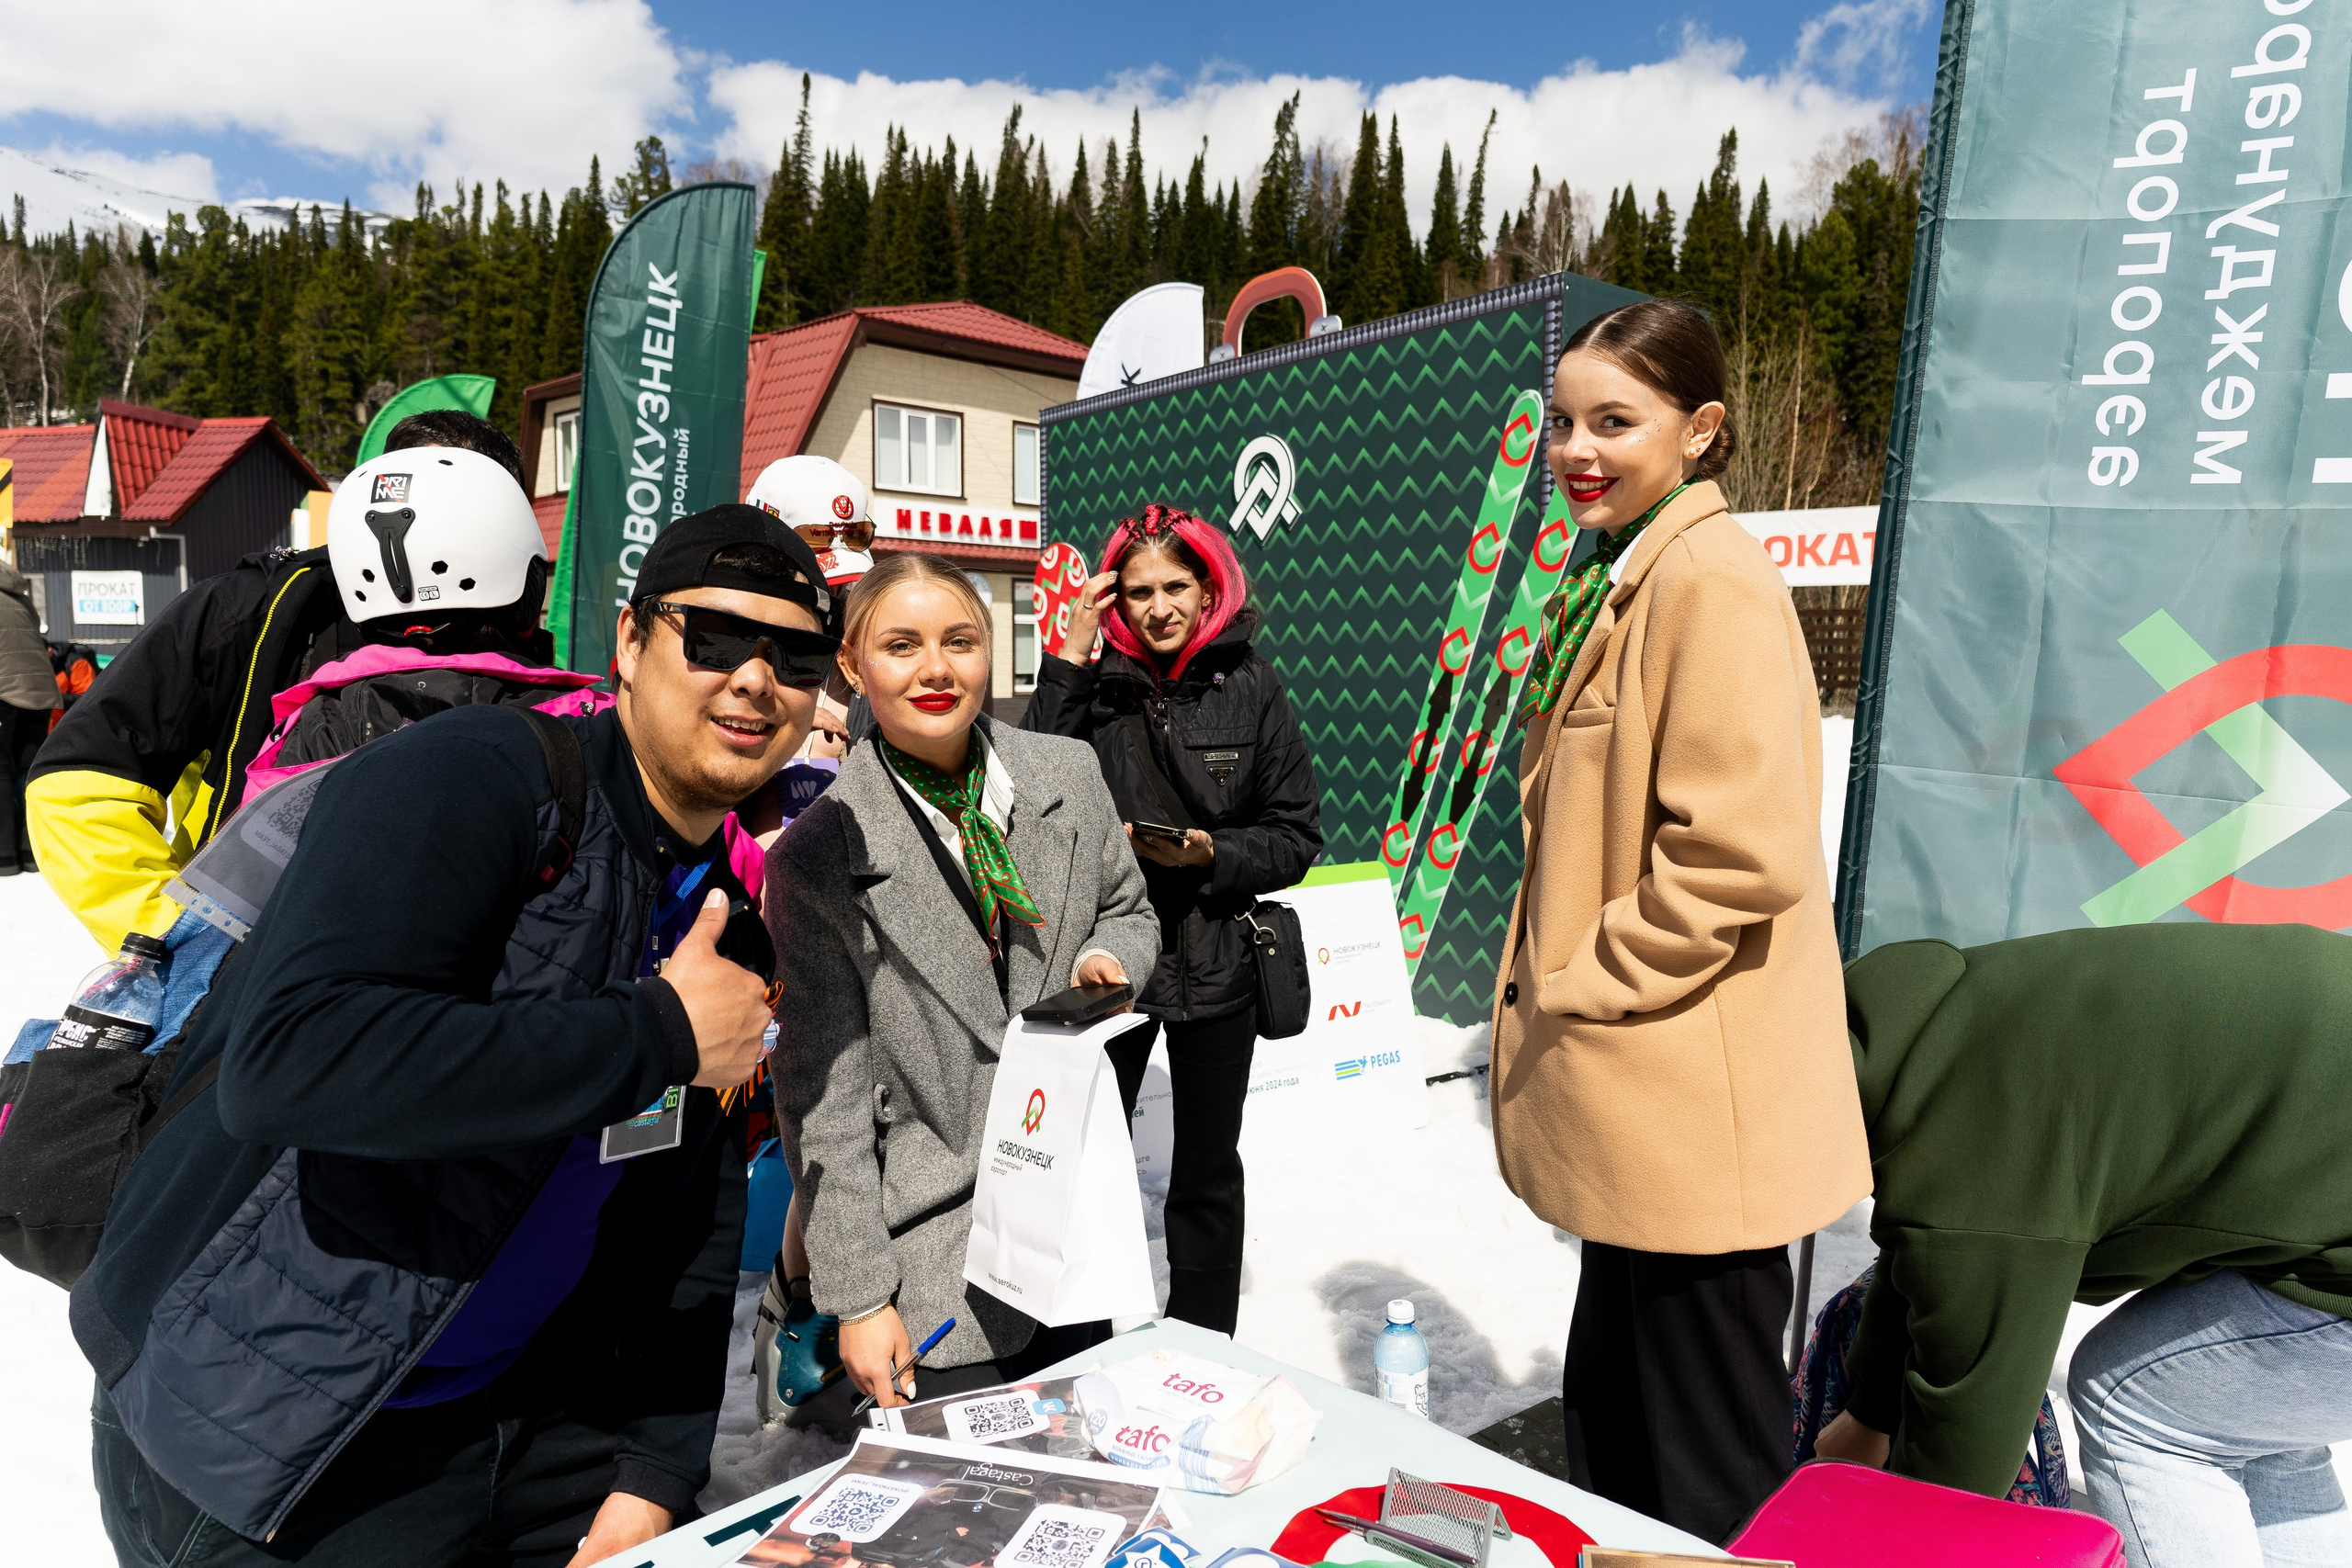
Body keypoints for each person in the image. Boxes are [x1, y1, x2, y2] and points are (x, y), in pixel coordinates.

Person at [78, 504, 835, 1566]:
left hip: (525, 1424)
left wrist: (658, 1464)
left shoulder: (723, 911)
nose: (755, 679)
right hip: (285, 1431)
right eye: (711, 638)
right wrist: (655, 1033)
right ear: (627, 642)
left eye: (796, 655)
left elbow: (683, 1209)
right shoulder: (476, 776)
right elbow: (296, 1061)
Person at [1489, 298, 1871, 1543]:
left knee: (1713, 1474)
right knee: (1615, 1438)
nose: (1578, 449)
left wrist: (1580, 976)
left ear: (1702, 431)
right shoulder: (1621, 573)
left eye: (1616, 420)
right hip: (1642, 1119)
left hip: (1694, 1116)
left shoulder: (1709, 580)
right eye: (1563, 423)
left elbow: (1738, 855)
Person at [1815, 923, 2352, 1567]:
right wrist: (1871, 1412)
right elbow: (1934, 1252)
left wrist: (1897, 1540)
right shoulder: (1933, 1030)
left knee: (2132, 1399)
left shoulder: (1981, 1167)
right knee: (2243, 1412)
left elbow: (1966, 1448)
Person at [768, 551, 1159, 1413]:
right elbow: (819, 1105)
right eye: (901, 645)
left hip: (1070, 1233)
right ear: (852, 664)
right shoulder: (818, 858)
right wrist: (863, 1297)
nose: (937, 668)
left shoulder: (1065, 774)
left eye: (961, 640)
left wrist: (1113, 961)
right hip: (933, 1265)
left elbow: (1130, 909)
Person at [27, 409, 548, 954]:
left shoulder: (521, 629)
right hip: (263, 963)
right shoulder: (253, 613)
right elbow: (77, 786)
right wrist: (190, 950)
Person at [1021, 501, 1322, 1336]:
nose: (1159, 607)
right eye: (1140, 590)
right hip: (1108, 965)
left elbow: (1296, 834)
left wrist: (1211, 857)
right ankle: (1077, 1340)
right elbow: (1027, 785)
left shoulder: (1253, 683)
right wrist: (1070, 658)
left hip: (1220, 962)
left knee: (1204, 1174)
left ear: (1210, 585)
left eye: (1177, 586)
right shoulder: (1097, 685)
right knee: (1084, 1169)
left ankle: (1202, 1347)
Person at [0, 555, 60, 874]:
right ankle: (31, 852)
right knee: (29, 772)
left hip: (4, 688)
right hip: (38, 690)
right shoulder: (19, 596)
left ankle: (4, 857)